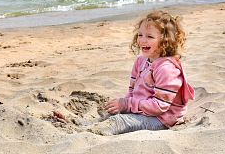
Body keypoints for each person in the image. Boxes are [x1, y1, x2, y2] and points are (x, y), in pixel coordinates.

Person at [53, 11, 195, 135]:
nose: (142, 40)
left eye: (150, 37)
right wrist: (124, 106)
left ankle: (85, 132)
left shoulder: (167, 69)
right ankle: (85, 124)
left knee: (119, 120)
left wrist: (126, 105)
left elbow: (160, 106)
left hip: (162, 119)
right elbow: (133, 91)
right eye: (140, 35)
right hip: (143, 112)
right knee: (113, 115)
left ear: (166, 42)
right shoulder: (141, 61)